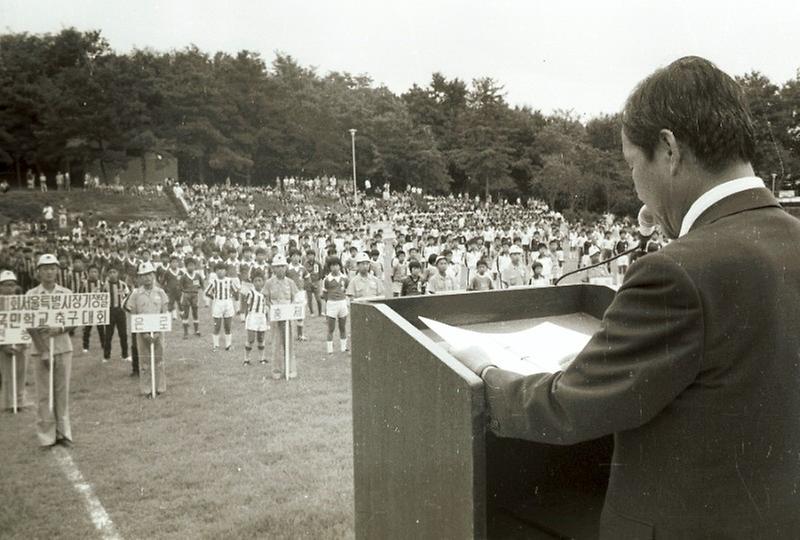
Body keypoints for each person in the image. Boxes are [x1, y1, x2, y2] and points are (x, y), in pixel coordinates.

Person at [453, 56, 800, 537]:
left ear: (669, 149)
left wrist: (483, 371)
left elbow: (568, 408)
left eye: (632, 165)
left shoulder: (677, 272)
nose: (635, 187)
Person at [26, 254, 75, 447]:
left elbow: (75, 320)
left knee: (62, 392)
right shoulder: (31, 295)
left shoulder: (66, 294)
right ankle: (47, 435)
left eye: (52, 268)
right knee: (44, 393)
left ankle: (63, 432)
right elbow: (29, 325)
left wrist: (60, 328)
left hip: (63, 347)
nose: (49, 271)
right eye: (45, 268)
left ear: (57, 270)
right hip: (40, 350)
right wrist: (44, 350)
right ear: (38, 272)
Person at [123, 262, 168, 397]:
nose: (147, 278)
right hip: (142, 334)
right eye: (143, 276)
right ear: (139, 278)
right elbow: (134, 314)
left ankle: (160, 388)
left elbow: (164, 313)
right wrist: (143, 333)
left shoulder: (160, 292)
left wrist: (159, 332)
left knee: (159, 360)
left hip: (158, 332)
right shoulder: (136, 294)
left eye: (149, 274)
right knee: (144, 362)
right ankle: (147, 390)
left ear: (153, 275)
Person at [263, 255, 299, 379]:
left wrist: (291, 308)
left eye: (282, 266)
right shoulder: (269, 282)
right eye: (277, 267)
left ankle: (290, 370)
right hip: (275, 314)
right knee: (276, 343)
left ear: (286, 268)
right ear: (273, 268)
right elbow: (266, 298)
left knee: (289, 343)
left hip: (287, 316)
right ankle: (276, 371)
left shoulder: (290, 282)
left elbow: (296, 297)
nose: (280, 269)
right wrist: (272, 308)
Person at [0, 271, 32, 411]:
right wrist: (3, 346)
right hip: (4, 345)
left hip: (21, 343)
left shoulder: (21, 302)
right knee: (7, 373)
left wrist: (22, 343)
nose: (10, 289)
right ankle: (8, 403)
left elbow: (27, 322)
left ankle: (20, 402)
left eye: (12, 285)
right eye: (6, 285)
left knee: (21, 372)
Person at [204, 262, 238, 352]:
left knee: (228, 326)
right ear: (215, 271)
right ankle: (216, 345)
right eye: (218, 270)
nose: (220, 272)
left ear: (226, 271)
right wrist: (214, 298)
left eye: (222, 270)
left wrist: (232, 298)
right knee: (217, 325)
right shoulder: (214, 282)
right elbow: (207, 292)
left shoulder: (229, 281)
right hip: (217, 304)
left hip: (228, 303)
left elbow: (236, 291)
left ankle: (228, 345)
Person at [102, 266, 130, 363]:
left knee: (123, 334)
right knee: (108, 335)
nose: (112, 274)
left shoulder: (122, 284)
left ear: (118, 273)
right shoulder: (104, 286)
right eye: (110, 272)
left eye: (114, 272)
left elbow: (128, 295)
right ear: (107, 274)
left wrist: (124, 306)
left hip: (120, 312)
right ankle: (106, 356)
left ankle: (125, 355)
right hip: (109, 312)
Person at [321, 257, 349, 354]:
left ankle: (343, 347)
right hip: (332, 304)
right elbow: (324, 294)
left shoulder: (345, 278)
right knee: (331, 328)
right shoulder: (327, 279)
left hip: (342, 303)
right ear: (329, 267)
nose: (335, 268)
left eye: (337, 265)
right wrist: (328, 304)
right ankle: (330, 350)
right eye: (332, 266)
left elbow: (347, 290)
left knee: (342, 327)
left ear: (340, 266)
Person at [79, 264, 106, 356]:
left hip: (98, 310)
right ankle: (85, 346)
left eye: (95, 272)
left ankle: (103, 345)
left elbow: (105, 296)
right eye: (91, 272)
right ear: (88, 273)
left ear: (98, 273)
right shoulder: (85, 284)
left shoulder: (101, 284)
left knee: (101, 329)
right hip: (88, 310)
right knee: (87, 329)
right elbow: (80, 296)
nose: (93, 274)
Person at [243, 272, 268, 366]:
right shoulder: (251, 293)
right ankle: (246, 359)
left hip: (262, 316)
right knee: (251, 339)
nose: (258, 283)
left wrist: (267, 318)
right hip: (253, 316)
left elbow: (266, 305)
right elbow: (246, 306)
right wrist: (246, 318)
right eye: (255, 281)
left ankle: (262, 358)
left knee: (261, 338)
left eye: (260, 280)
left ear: (263, 282)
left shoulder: (265, 293)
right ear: (253, 282)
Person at [179, 257, 203, 339]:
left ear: (195, 266)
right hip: (186, 296)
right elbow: (180, 286)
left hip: (195, 296)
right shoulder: (184, 276)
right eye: (189, 266)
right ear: (186, 267)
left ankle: (196, 330)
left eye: (192, 265)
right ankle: (185, 333)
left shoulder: (197, 275)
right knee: (186, 314)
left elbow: (202, 284)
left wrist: (198, 289)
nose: (191, 267)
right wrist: (185, 291)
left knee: (195, 313)